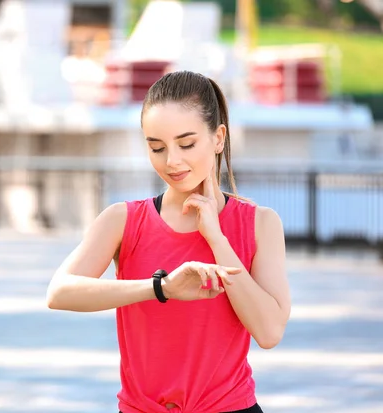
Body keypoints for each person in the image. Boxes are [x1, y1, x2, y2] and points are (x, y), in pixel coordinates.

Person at [46, 71, 291, 413]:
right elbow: (59, 292)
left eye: (186, 144)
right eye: (157, 147)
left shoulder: (260, 223)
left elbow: (269, 332)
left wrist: (216, 238)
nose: (171, 161)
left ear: (218, 138)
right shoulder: (124, 220)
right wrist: (161, 288)